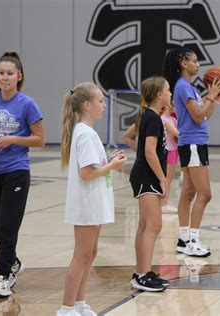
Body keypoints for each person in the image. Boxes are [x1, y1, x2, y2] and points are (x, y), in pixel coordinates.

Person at [0, 52, 45, 298]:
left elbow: (40, 139)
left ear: (19, 76)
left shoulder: (27, 104)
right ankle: (14, 262)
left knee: (7, 228)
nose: (5, 78)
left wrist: (12, 140)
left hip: (16, 171)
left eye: (9, 73)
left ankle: (4, 275)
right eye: (1, 73)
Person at [57, 82, 126, 316]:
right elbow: (86, 174)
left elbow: (93, 167)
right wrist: (113, 166)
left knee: (90, 254)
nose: (104, 105)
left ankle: (79, 303)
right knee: (82, 255)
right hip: (87, 204)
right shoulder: (85, 134)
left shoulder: (86, 132)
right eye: (100, 101)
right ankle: (66, 308)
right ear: (87, 105)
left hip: (94, 202)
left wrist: (109, 161)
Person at [162, 48, 220, 257]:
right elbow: (198, 116)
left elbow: (204, 117)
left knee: (188, 193)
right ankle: (193, 241)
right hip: (193, 144)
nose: (198, 65)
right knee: (205, 194)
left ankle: (183, 238)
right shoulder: (183, 87)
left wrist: (213, 100)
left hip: (193, 143)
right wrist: (210, 97)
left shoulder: (189, 88)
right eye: (194, 61)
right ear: (183, 63)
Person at [129, 76, 171, 292]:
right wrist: (163, 179)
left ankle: (141, 272)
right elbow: (148, 151)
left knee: (145, 226)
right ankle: (143, 275)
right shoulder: (153, 118)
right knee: (154, 225)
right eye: (168, 90)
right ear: (159, 95)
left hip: (143, 174)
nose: (170, 93)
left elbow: (131, 138)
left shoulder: (148, 115)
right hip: (148, 176)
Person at [160, 102, 179, 213]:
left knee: (170, 178)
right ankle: (163, 203)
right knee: (166, 178)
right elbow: (176, 133)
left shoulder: (172, 119)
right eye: (172, 104)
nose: (173, 106)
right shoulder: (164, 119)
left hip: (174, 149)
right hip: (167, 150)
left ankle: (165, 201)